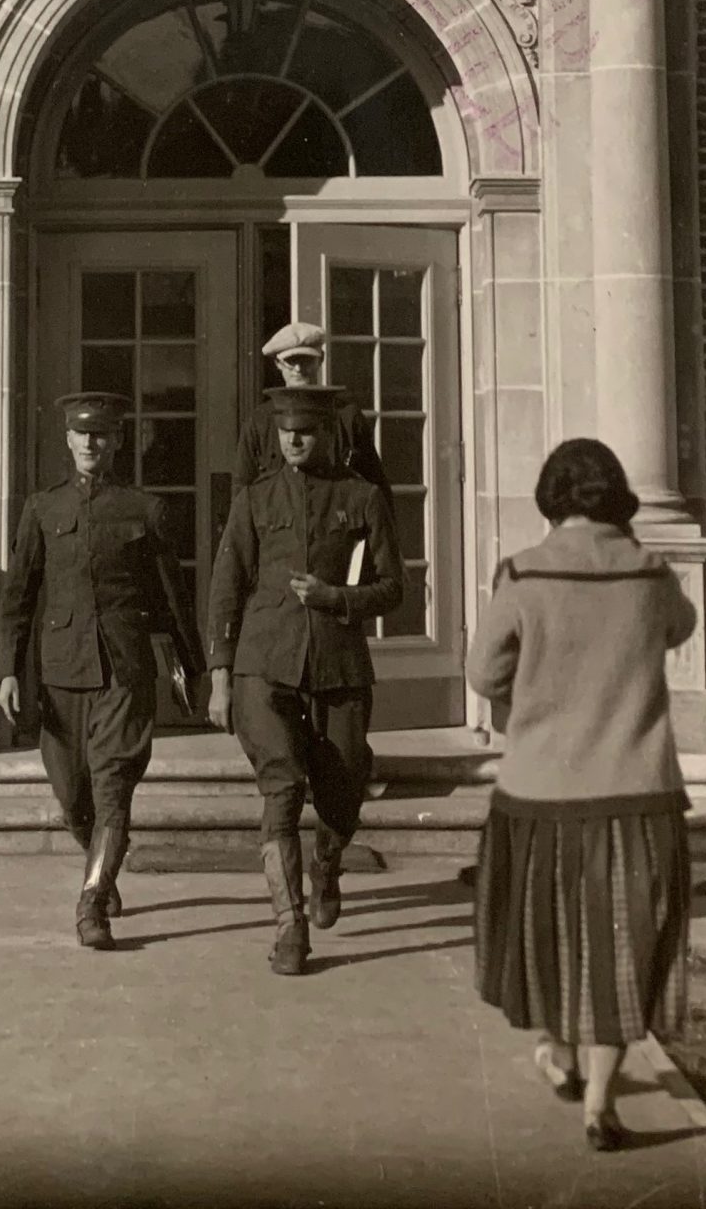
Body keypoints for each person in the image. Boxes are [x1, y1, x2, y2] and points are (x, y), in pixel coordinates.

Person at [465, 437, 697, 1153]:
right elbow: (679, 629)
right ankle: (599, 1101)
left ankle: (558, 1053)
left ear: (550, 499)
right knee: (622, 945)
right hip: (637, 792)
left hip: (539, 793)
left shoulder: (523, 574)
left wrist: (530, 691)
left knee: (547, 936)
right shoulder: (650, 573)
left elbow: (482, 674)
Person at [0, 390, 205, 951]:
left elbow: (173, 599)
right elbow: (19, 595)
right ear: (68, 440)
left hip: (124, 668)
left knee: (113, 785)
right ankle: (102, 865)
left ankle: (92, 903)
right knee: (72, 796)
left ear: (117, 441)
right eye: (82, 434)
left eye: (103, 434)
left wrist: (193, 668)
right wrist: (10, 671)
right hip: (62, 669)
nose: (92, 443)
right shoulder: (43, 509)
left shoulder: (144, 510)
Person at [207, 381, 403, 976]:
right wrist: (220, 675)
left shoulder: (362, 497)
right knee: (282, 790)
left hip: (338, 665)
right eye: (285, 430)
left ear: (326, 434)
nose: (294, 438)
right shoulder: (254, 499)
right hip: (264, 667)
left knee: (342, 790)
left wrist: (338, 597)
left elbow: (395, 589)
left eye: (306, 430)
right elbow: (224, 587)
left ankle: (327, 862)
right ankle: (290, 930)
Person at [231, 320, 390, 494]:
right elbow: (242, 490)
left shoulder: (346, 416)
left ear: (320, 359)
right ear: (277, 364)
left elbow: (376, 486)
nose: (299, 369)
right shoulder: (259, 421)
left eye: (306, 360)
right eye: (291, 361)